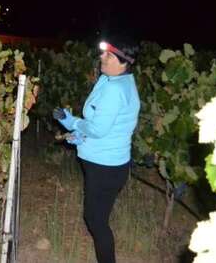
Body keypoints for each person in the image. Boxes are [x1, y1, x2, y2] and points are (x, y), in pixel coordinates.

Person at [53, 39, 140, 263]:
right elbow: (109, 127)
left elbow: (98, 129)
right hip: (110, 163)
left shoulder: (114, 89)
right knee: (98, 217)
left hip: (105, 167)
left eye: (109, 56)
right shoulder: (116, 80)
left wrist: (71, 122)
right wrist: (80, 137)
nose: (102, 58)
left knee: (95, 220)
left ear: (123, 62)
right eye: (103, 53)